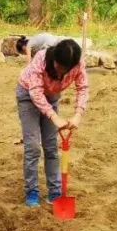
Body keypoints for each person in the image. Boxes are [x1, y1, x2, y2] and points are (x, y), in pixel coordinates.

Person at [17, 38, 89, 207]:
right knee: (33, 146)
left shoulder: (78, 64)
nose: (62, 72)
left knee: (50, 146)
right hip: (28, 95)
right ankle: (32, 191)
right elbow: (35, 93)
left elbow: (83, 87)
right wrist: (54, 117)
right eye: (59, 66)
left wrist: (78, 114)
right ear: (54, 58)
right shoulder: (41, 59)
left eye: (66, 69)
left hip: (51, 97)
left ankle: (55, 191)